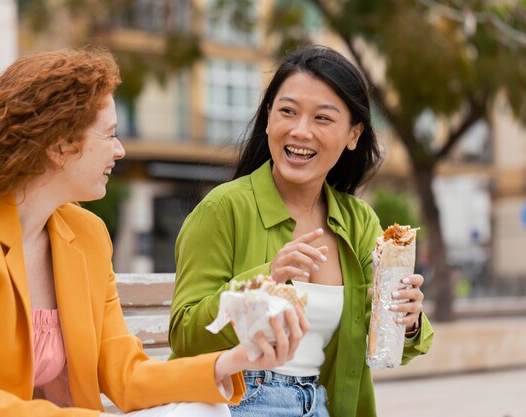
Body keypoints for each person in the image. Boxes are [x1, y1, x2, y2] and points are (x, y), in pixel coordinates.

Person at [0, 49, 309, 417]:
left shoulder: (87, 234)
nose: (120, 151)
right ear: (60, 147)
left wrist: (233, 361)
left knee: (207, 410)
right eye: (110, 134)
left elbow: (126, 375)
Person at [168, 45, 434, 417]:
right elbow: (184, 334)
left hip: (320, 404)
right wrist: (264, 281)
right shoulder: (222, 209)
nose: (300, 131)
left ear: (353, 134)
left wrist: (406, 321)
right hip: (235, 401)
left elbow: (385, 348)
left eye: (322, 119)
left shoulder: (359, 223)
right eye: (287, 112)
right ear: (267, 119)